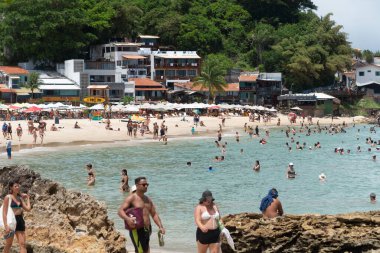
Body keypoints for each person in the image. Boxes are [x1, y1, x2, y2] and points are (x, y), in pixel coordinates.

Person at [118, 177, 165, 253]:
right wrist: (128, 219)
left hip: (147, 229)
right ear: (137, 185)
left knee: (146, 250)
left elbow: (154, 214)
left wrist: (160, 226)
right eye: (143, 184)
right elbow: (120, 211)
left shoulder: (148, 199)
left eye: (147, 184)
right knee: (140, 251)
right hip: (137, 230)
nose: (146, 186)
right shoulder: (131, 198)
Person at [2, 180, 32, 253]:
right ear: (11, 187)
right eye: (15, 186)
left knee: (22, 244)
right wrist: (6, 225)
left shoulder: (20, 198)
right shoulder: (8, 197)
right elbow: (4, 212)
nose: (17, 187)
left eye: (18, 186)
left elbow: (28, 209)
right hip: (11, 222)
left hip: (19, 220)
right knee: (9, 244)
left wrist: (27, 198)